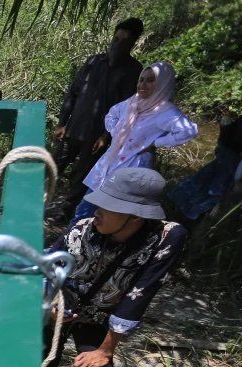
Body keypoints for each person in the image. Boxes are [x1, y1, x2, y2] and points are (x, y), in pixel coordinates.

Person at [43, 168, 186, 367]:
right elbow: (49, 261)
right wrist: (50, 298)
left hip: (101, 316)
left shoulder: (165, 238)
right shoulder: (83, 228)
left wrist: (106, 349)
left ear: (134, 217)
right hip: (62, 305)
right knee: (38, 356)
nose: (97, 211)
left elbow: (140, 293)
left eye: (108, 207)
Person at [69, 61, 198, 223]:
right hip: (110, 161)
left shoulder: (166, 111)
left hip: (133, 168)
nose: (143, 84)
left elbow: (189, 131)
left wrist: (156, 143)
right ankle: (74, 241)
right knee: (89, 209)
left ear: (162, 84)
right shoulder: (133, 102)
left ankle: (73, 242)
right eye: (141, 79)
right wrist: (117, 133)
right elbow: (111, 115)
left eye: (150, 80)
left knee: (99, 212)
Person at [48, 18, 145, 221]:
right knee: (54, 165)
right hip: (74, 126)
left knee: (82, 175)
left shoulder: (134, 70)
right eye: (116, 38)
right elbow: (73, 92)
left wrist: (106, 136)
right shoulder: (94, 62)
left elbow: (126, 110)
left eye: (124, 41)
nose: (117, 44)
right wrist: (62, 122)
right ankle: (33, 201)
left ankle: (65, 212)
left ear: (132, 43)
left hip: (97, 135)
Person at [169, 107, 242, 223]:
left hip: (229, 161)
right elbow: (226, 139)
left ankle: (188, 216)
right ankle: (185, 215)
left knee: (211, 189)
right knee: (207, 187)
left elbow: (225, 139)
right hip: (227, 158)